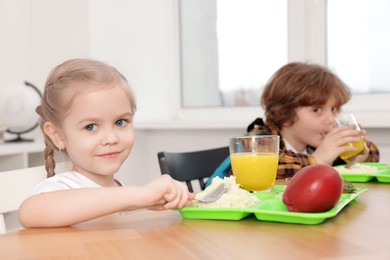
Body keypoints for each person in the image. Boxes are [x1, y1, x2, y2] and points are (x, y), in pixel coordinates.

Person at [19, 59, 194, 228]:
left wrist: (151, 200)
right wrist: (137, 195)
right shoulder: (62, 187)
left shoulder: (119, 188)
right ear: (57, 135)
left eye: (120, 122)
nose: (111, 138)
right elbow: (29, 212)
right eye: (90, 127)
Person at [207, 62, 379, 185]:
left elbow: (373, 158)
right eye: (317, 110)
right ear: (285, 114)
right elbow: (261, 169)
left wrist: (359, 150)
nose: (332, 119)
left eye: (334, 109)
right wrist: (317, 159)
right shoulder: (260, 138)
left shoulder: (315, 143)